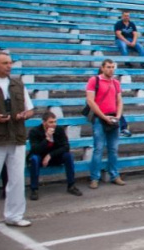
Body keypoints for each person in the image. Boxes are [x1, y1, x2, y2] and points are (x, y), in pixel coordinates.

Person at [0, 51, 34, 227]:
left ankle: (14, 215)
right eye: (5, 63)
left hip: (17, 135)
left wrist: (25, 114)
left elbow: (31, 109)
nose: (9, 66)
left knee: (17, 179)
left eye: (10, 63)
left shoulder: (18, 84)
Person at [86, 59, 125, 189]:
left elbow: (119, 101)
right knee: (98, 149)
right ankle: (94, 177)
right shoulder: (94, 80)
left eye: (113, 67)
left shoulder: (116, 83)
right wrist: (103, 116)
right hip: (99, 118)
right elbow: (91, 101)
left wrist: (118, 116)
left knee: (113, 149)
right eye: (108, 67)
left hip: (113, 117)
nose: (111, 69)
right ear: (102, 68)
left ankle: (115, 174)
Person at [28, 111, 81, 200]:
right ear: (44, 122)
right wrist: (47, 138)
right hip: (40, 157)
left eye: (55, 122)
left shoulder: (59, 130)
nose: (53, 124)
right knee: (34, 159)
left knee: (68, 156)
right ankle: (34, 189)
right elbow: (35, 150)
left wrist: (50, 155)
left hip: (54, 157)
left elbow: (66, 147)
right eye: (51, 122)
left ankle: (71, 185)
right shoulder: (34, 131)